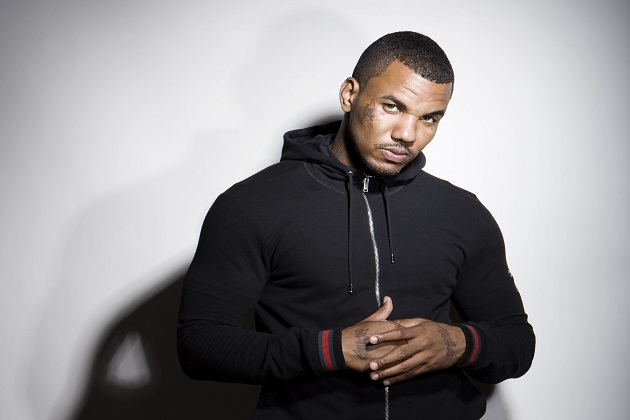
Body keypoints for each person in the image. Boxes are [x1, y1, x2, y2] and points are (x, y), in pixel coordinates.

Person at [177, 31, 535, 420]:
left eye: (429, 118)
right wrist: (330, 351)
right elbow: (199, 345)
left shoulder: (462, 212)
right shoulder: (252, 206)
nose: (407, 134)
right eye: (392, 106)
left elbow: (517, 344)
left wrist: (457, 343)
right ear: (350, 95)